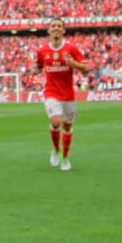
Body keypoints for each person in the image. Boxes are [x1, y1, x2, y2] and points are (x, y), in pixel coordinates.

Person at [36, 17, 90, 171]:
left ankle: (65, 157)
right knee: (55, 122)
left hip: (68, 95)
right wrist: (35, 71)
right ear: (49, 30)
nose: (56, 28)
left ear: (63, 30)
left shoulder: (71, 49)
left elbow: (85, 68)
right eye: (53, 26)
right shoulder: (42, 51)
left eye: (59, 26)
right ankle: (56, 150)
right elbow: (39, 66)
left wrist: (72, 63)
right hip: (51, 92)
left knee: (67, 126)